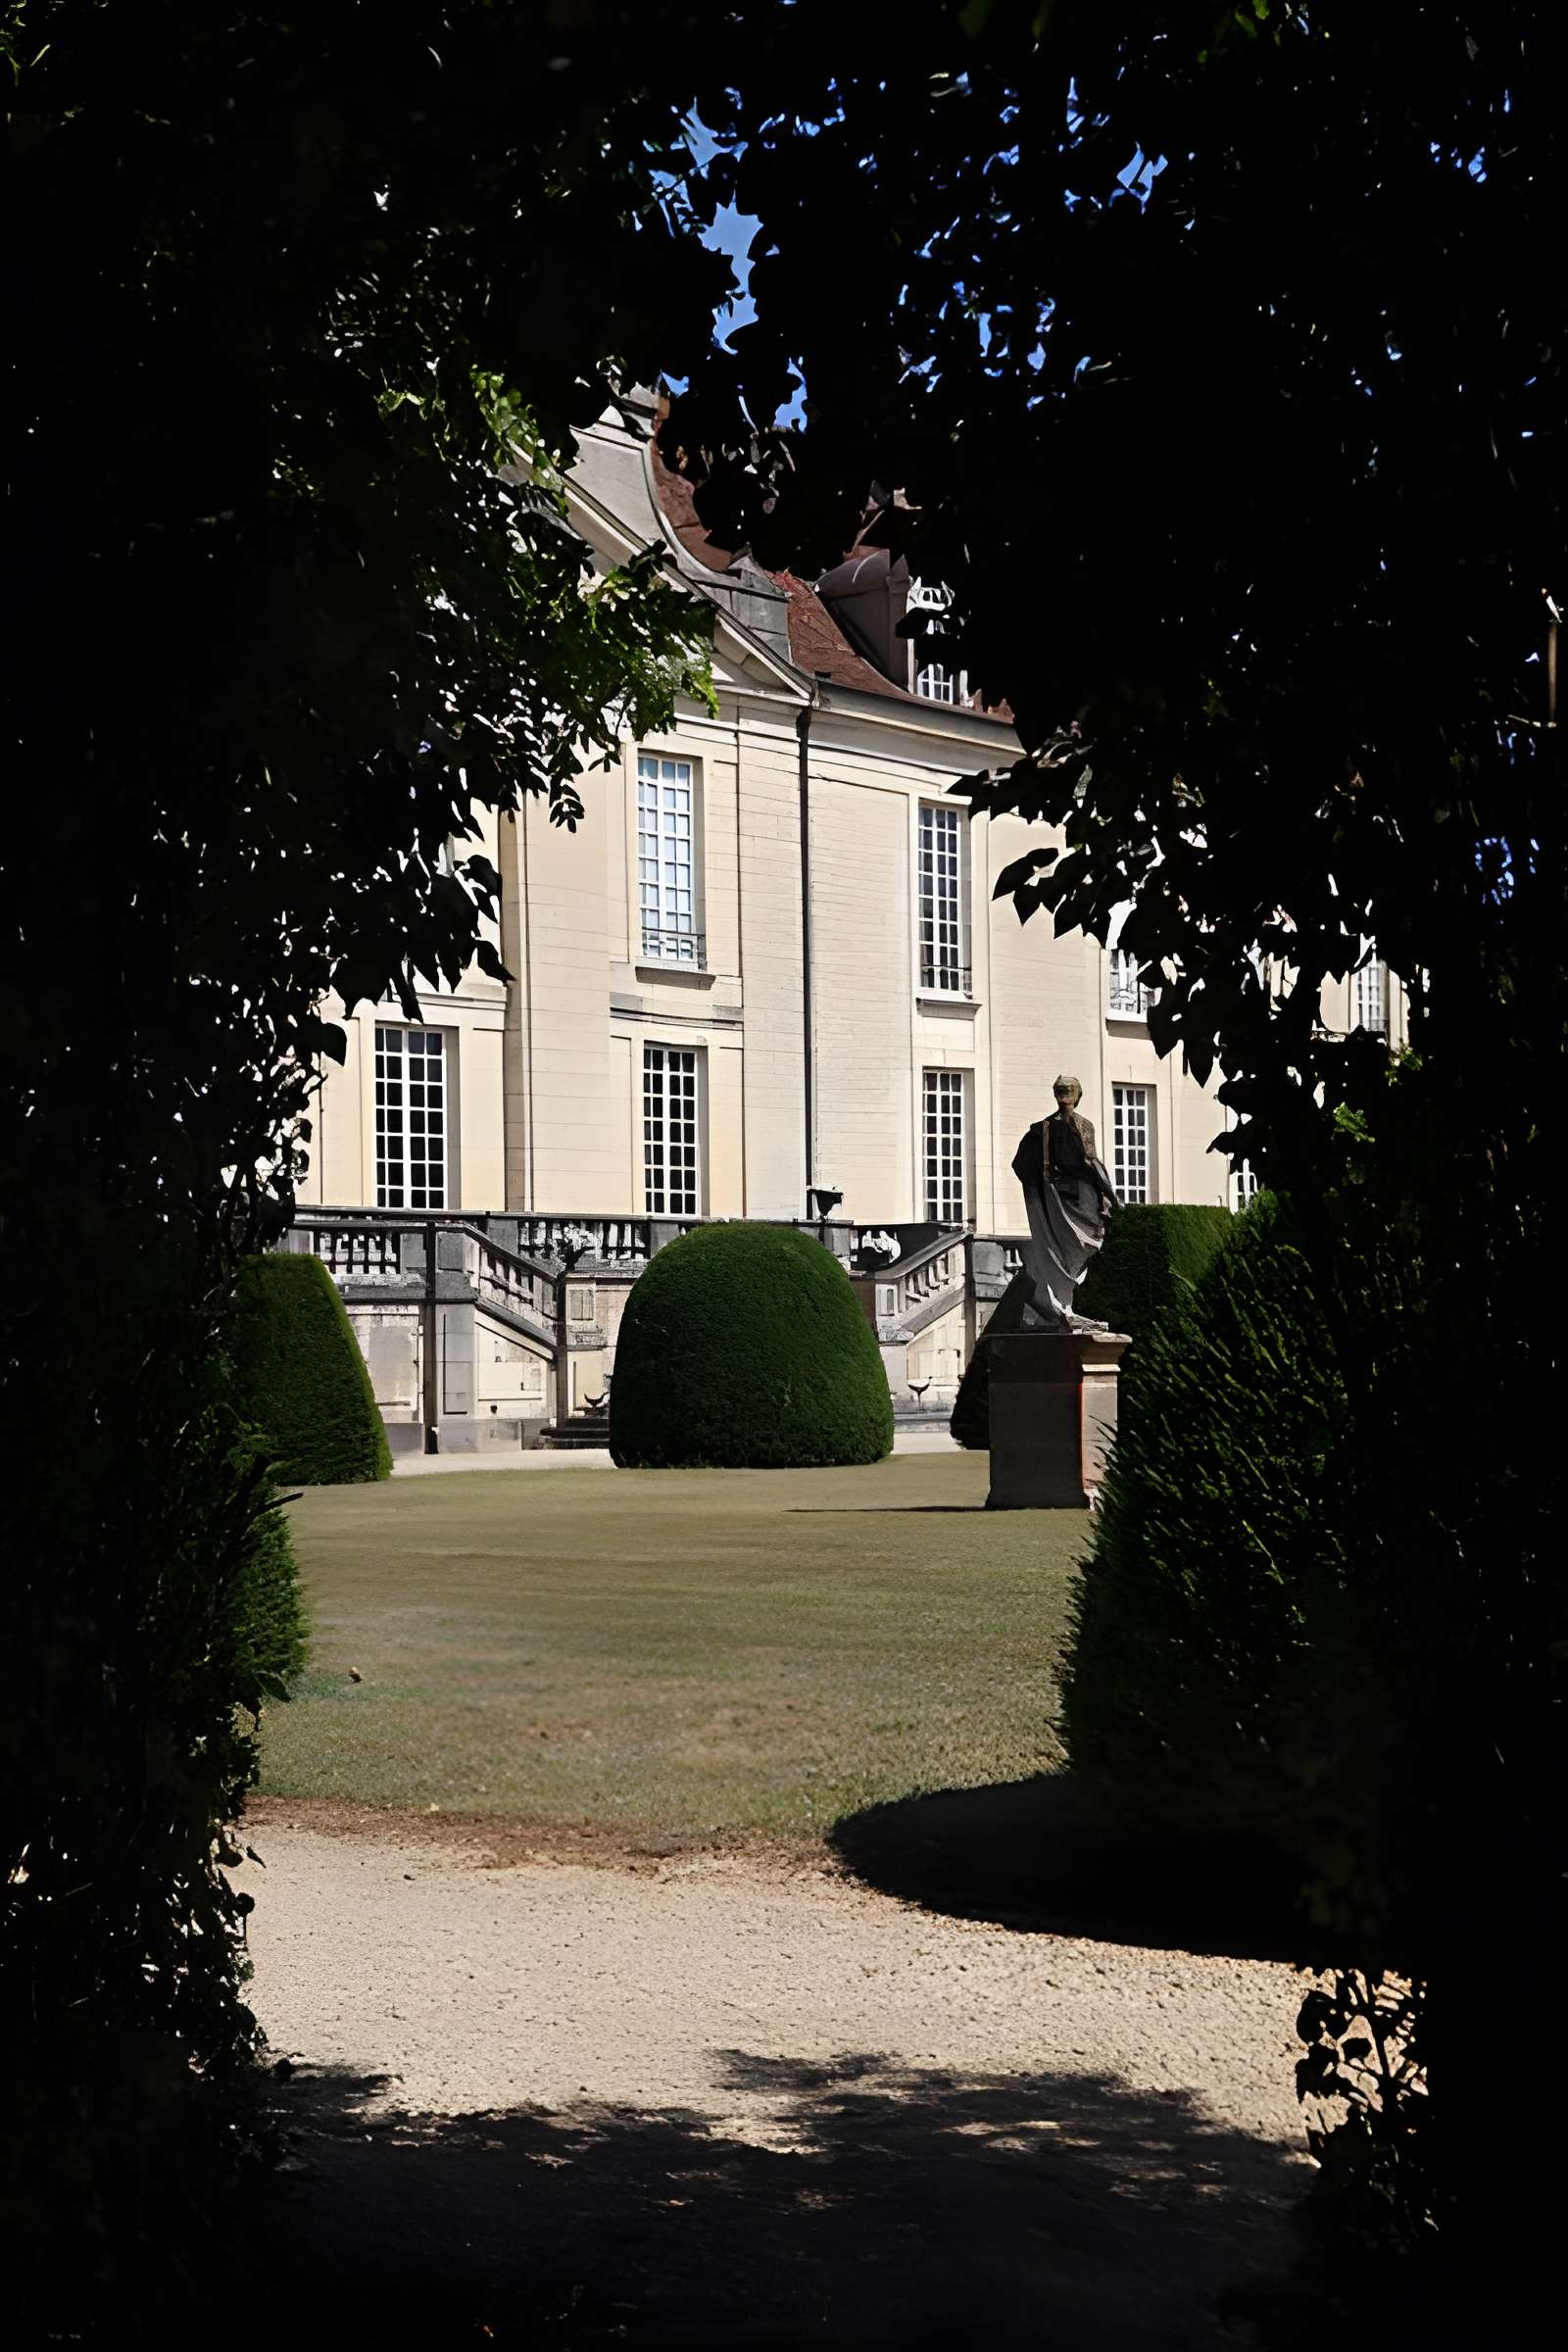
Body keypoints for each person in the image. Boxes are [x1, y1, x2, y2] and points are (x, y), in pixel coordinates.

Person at [1011, 1076, 1118, 1330]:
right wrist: (1111, 1196)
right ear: (1078, 1096)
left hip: (1050, 1198)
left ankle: (1057, 1304)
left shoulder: (1040, 1129)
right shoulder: (1081, 1125)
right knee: (1084, 1242)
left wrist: (1039, 1188)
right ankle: (1059, 1306)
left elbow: (1019, 1164)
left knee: (1058, 1248)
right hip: (1077, 1197)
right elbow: (1091, 1162)